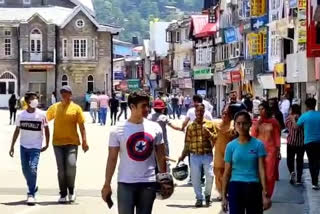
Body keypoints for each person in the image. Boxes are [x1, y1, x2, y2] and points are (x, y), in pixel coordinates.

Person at [101, 91, 168, 214]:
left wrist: (164, 178)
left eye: (148, 105)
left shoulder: (155, 128)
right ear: (132, 107)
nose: (147, 109)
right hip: (126, 183)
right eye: (143, 106)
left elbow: (161, 155)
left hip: (148, 183)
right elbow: (112, 158)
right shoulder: (117, 130)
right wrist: (107, 184)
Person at [222, 111, 271, 214]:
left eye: (244, 123)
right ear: (234, 125)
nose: (241, 126)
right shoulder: (231, 146)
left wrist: (265, 194)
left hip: (254, 187)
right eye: (238, 123)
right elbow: (226, 173)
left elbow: (262, 170)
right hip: (235, 187)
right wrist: (224, 197)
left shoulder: (258, 145)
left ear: (250, 124)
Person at [47, 85, 89, 203]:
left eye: (66, 93)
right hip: (58, 143)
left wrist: (85, 141)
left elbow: (82, 126)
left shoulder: (76, 108)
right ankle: (63, 193)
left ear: (71, 94)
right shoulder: (55, 107)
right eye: (62, 93)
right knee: (61, 170)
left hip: (72, 143)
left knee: (71, 166)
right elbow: (44, 120)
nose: (64, 95)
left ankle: (71, 190)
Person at [9, 92, 50, 205]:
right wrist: (12, 145)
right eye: (33, 99)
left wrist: (47, 144)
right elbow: (17, 130)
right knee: (25, 169)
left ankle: (31, 193)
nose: (35, 100)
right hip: (23, 146)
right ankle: (33, 185)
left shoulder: (41, 115)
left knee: (32, 168)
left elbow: (46, 129)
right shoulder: (21, 115)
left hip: (35, 147)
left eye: (36, 98)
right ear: (27, 102)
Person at [178, 103, 217, 207]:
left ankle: (207, 195)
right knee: (195, 178)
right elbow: (187, 144)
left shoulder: (210, 124)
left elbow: (216, 138)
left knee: (210, 175)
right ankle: (199, 198)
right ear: (195, 112)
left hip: (207, 155)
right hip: (194, 156)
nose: (199, 113)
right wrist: (182, 156)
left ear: (204, 112)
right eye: (197, 111)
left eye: (201, 111)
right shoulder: (190, 127)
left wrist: (209, 134)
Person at [251, 102, 281, 198]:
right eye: (259, 109)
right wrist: (257, 125)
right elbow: (253, 136)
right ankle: (259, 193)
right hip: (258, 150)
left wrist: (278, 150)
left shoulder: (273, 122)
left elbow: (277, 137)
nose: (260, 111)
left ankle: (268, 194)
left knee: (269, 174)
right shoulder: (256, 121)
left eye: (262, 109)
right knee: (257, 173)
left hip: (271, 151)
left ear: (267, 110)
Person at [148, 99, 181, 171]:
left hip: (150, 142)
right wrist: (181, 128)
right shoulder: (163, 117)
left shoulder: (149, 117)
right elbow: (174, 126)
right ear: (163, 109)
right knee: (164, 159)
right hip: (162, 143)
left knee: (152, 160)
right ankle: (165, 176)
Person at [297, 98, 320, 190]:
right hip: (319, 141)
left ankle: (314, 182)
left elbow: (296, 127)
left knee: (311, 161)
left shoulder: (304, 116)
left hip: (308, 142)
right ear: (315, 105)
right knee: (317, 161)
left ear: (306, 106)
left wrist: (293, 119)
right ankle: (316, 181)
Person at [213, 108, 236, 201]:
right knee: (218, 173)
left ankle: (227, 192)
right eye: (223, 114)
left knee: (228, 174)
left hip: (230, 153)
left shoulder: (233, 125)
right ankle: (221, 193)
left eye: (226, 114)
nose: (224, 116)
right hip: (218, 153)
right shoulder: (216, 125)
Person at [285, 104, 304, 185]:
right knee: (300, 161)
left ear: (292, 110)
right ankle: (299, 179)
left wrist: (292, 119)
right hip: (301, 143)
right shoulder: (303, 118)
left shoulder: (289, 118)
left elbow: (287, 127)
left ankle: (292, 171)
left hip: (291, 143)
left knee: (290, 159)